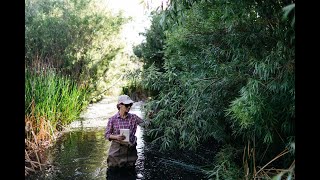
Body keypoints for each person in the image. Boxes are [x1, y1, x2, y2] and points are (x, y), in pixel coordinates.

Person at [104, 94, 145, 179]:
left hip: (130, 152)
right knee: (114, 174)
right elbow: (107, 135)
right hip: (116, 153)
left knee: (130, 173)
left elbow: (145, 124)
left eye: (130, 105)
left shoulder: (134, 117)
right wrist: (116, 137)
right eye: (127, 105)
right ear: (120, 105)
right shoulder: (112, 119)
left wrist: (149, 117)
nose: (129, 107)